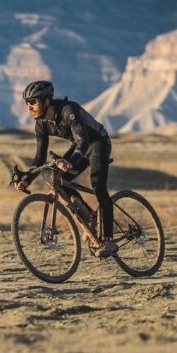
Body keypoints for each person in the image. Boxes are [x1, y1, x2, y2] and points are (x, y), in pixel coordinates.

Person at [14, 80, 118, 258]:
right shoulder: (41, 124)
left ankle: (108, 240)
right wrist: (26, 178)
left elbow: (83, 141)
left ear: (47, 101)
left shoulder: (68, 110)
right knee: (59, 179)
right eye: (27, 103)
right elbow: (39, 158)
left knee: (98, 187)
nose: (29, 107)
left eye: (33, 102)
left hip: (98, 142)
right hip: (79, 147)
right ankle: (90, 215)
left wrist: (71, 161)